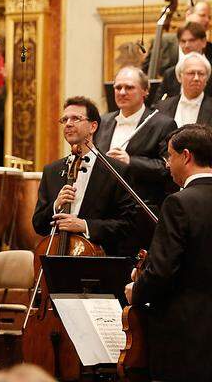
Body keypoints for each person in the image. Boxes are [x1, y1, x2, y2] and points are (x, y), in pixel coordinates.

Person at [125, 124, 212, 380]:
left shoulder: (178, 203)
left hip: (186, 335)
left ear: (186, 156)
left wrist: (137, 290)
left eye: (170, 157)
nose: (167, 165)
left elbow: (163, 270)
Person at [33, 96, 136, 257]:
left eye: (76, 118)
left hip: (99, 261)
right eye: (65, 119)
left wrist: (84, 225)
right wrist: (55, 205)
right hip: (55, 258)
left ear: (93, 126)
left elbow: (128, 225)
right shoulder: (51, 171)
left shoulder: (116, 170)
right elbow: (38, 224)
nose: (68, 123)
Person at [94, 66, 177, 252]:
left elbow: (168, 168)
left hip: (141, 212)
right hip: (106, 214)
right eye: (118, 87)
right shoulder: (103, 122)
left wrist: (130, 162)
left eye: (129, 87)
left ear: (145, 91)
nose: (122, 92)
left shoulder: (163, 124)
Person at [153, 22, 212, 102]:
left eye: (192, 40)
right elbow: (157, 105)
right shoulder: (170, 74)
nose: (187, 45)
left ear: (204, 42)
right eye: (183, 41)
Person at [155, 52, 212, 127]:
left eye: (201, 73)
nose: (196, 78)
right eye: (191, 73)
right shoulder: (162, 107)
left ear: (207, 79)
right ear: (179, 77)